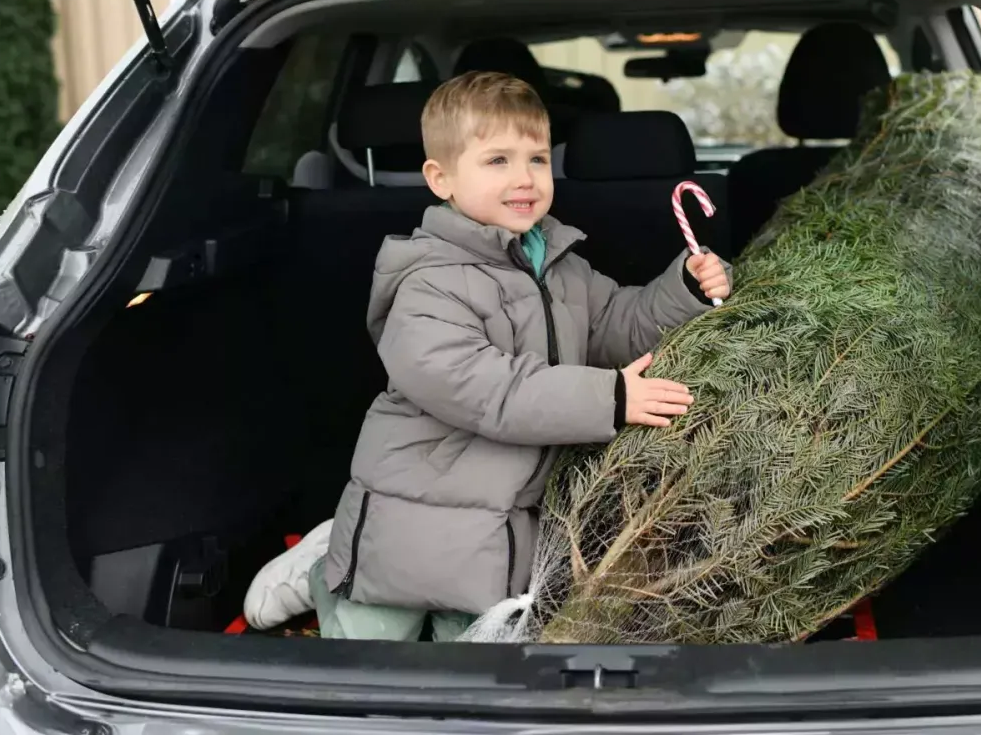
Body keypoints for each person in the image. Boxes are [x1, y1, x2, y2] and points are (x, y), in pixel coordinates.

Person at [307, 70, 731, 641]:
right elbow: (485, 389)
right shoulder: (428, 280)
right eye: (497, 161)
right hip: (411, 516)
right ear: (441, 178)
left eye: (536, 159)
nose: (524, 178)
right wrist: (610, 398)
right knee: (366, 642)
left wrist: (682, 286)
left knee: (473, 652)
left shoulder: (558, 263)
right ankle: (316, 571)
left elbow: (615, 325)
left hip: (504, 525)